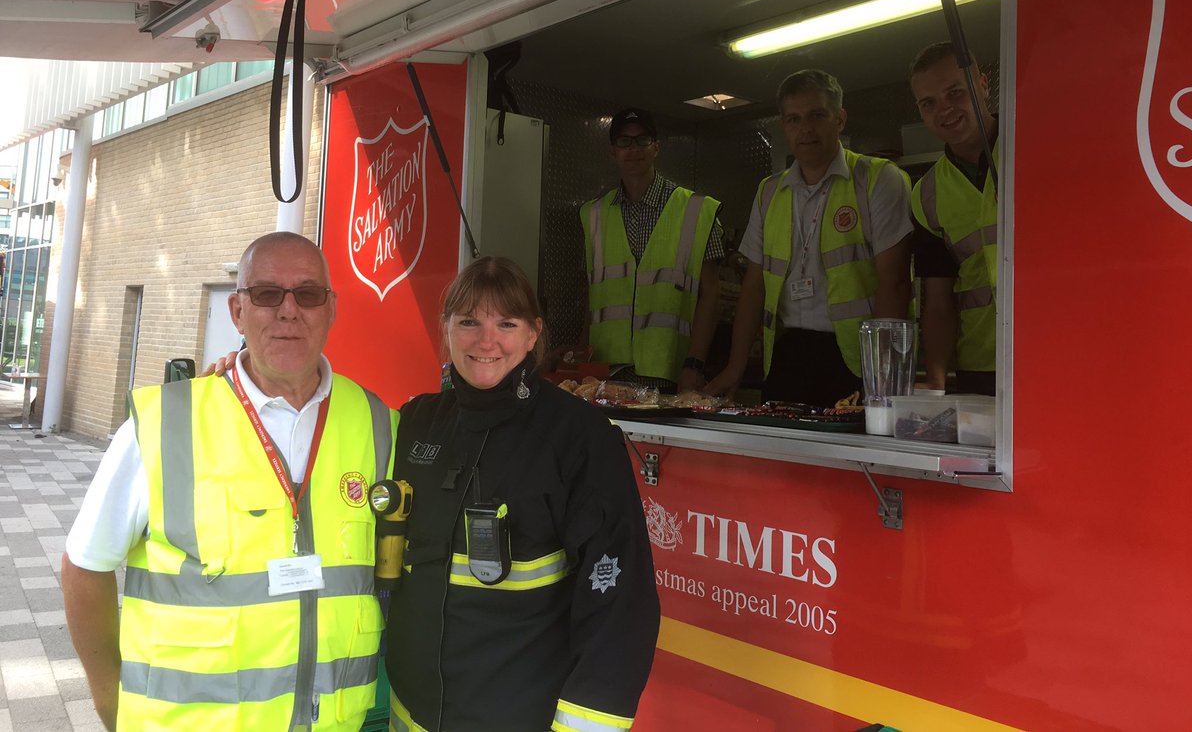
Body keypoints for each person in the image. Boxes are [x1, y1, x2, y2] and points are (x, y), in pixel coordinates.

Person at [61, 232, 397, 731]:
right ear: (238, 311)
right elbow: (84, 569)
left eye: (307, 294)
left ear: (331, 309)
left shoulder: (381, 424)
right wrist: (111, 702)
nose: (288, 311)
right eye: (266, 294)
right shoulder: (163, 424)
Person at [385, 255, 659, 732]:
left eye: (505, 324)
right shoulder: (412, 423)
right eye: (468, 321)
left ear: (533, 334)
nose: (485, 340)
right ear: (445, 329)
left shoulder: (579, 437)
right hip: (412, 714)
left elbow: (620, 606)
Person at [707, 70, 913, 407]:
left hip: (856, 361)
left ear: (839, 119)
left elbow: (896, 284)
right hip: (785, 356)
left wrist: (883, 380)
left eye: (817, 115)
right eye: (793, 119)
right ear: (784, 126)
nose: (805, 128)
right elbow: (753, 286)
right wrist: (735, 367)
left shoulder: (876, 179)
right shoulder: (769, 191)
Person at [576, 107, 724, 393]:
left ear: (656, 147)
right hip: (605, 374)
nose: (634, 149)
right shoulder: (592, 214)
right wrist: (583, 360)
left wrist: (695, 365)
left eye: (642, 140)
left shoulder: (697, 210)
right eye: (624, 141)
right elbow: (591, 296)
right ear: (612, 151)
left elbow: (711, 296)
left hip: (670, 372)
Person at [908, 42, 999, 395]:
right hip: (979, 367)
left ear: (983, 85)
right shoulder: (926, 194)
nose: (944, 110)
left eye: (955, 93)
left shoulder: (1037, 150)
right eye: (928, 103)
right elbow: (938, 301)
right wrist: (936, 378)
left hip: (1053, 351)